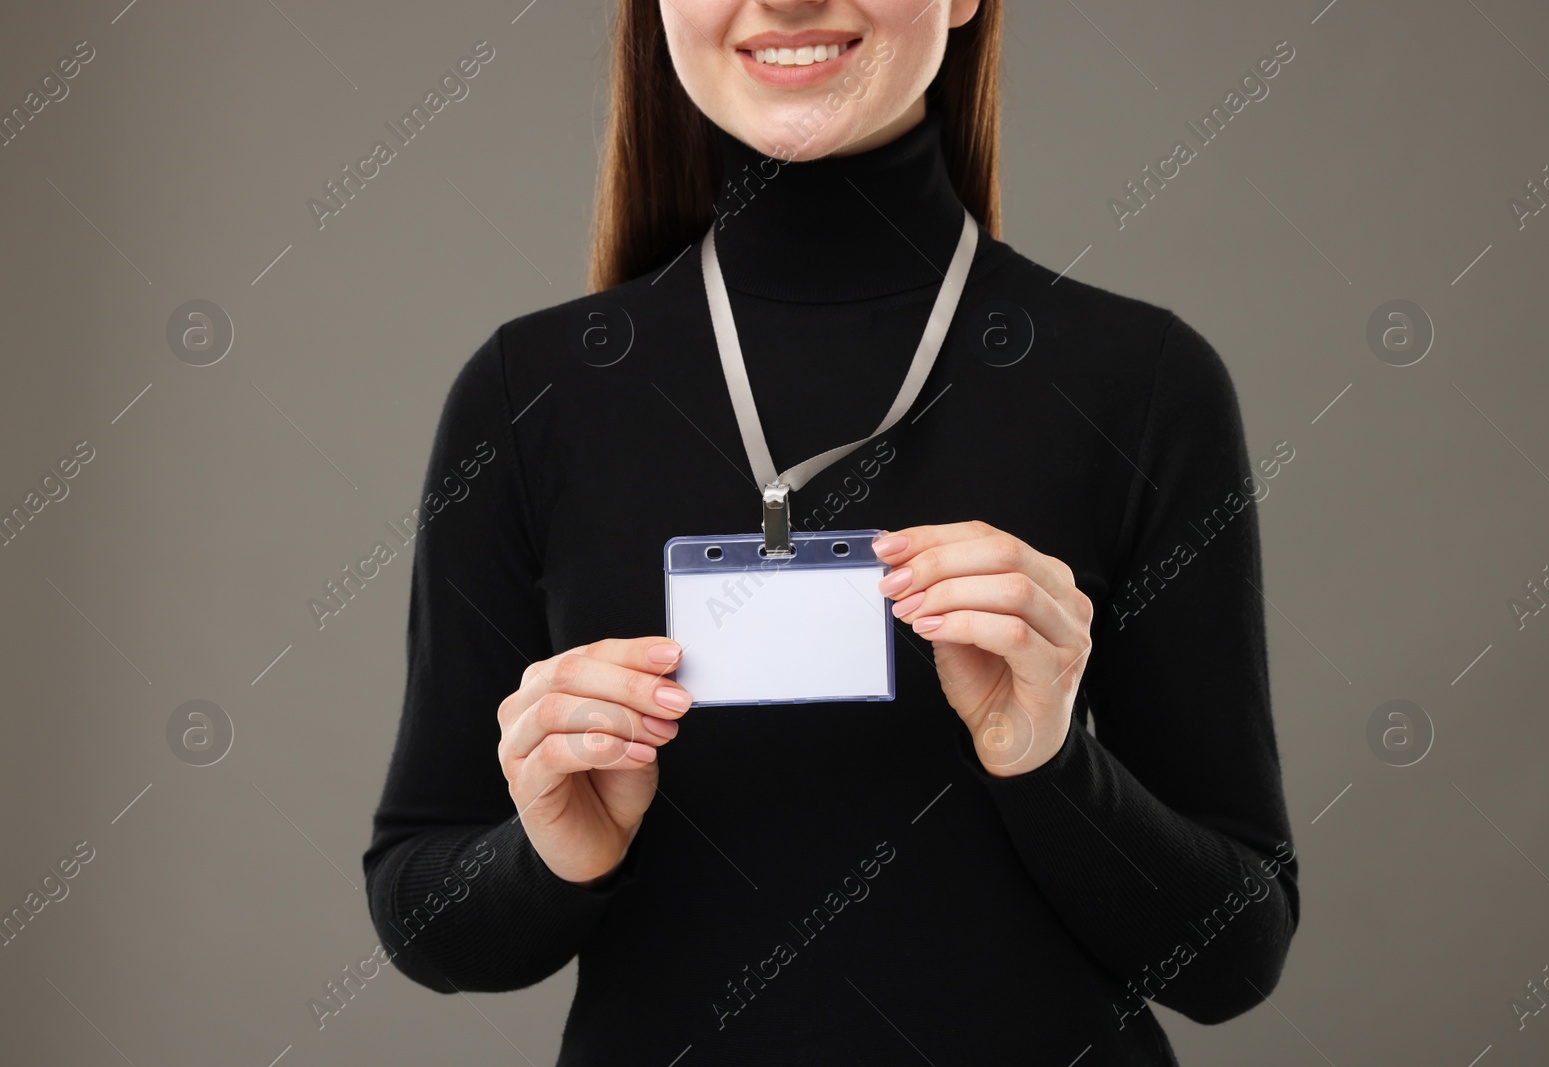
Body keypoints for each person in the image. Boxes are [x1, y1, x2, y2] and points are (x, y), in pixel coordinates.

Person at [363, 1, 1300, 1062]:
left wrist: (1047, 764)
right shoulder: (527, 397)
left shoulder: (1141, 383)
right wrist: (551, 855)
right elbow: (422, 915)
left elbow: (1235, 958)